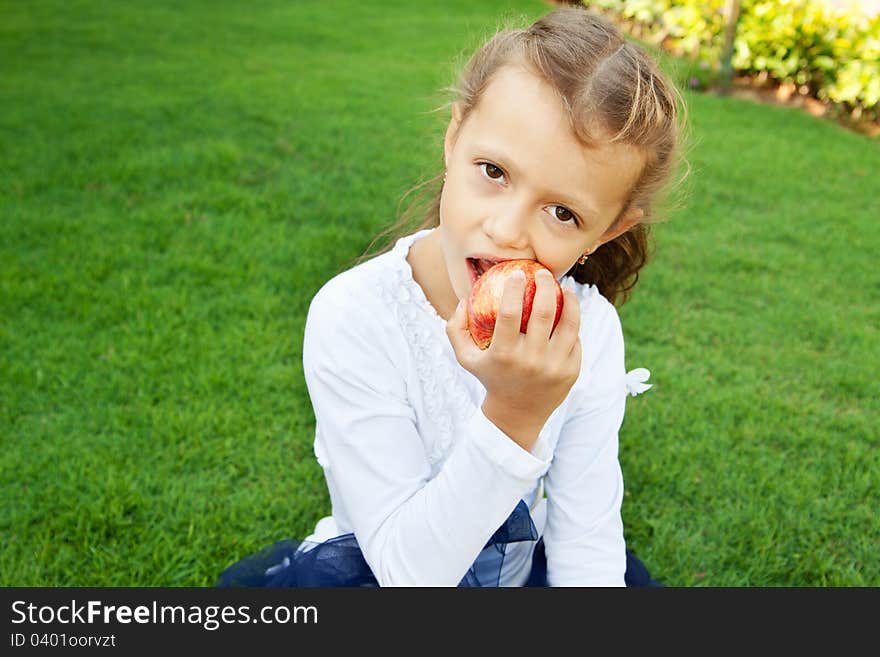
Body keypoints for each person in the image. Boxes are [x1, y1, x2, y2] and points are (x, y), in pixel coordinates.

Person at [219, 5, 685, 587]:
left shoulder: (587, 333)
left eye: (563, 212)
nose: (508, 230)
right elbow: (406, 573)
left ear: (607, 231)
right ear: (453, 137)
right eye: (493, 171)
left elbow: (586, 536)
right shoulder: (356, 317)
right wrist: (515, 413)